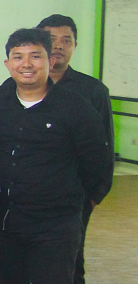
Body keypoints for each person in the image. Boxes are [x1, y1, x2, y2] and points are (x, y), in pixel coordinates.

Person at [0, 28, 111, 284]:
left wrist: (86, 201)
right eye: (18, 57)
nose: (26, 64)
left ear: (50, 61)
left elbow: (97, 161)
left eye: (35, 56)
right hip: (4, 223)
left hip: (55, 227)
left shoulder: (75, 107)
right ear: (7, 64)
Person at [35, 14, 114, 284]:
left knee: (69, 264)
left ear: (75, 46)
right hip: (25, 198)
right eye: (51, 39)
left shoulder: (93, 91)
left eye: (66, 40)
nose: (58, 45)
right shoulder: (18, 87)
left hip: (74, 199)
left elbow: (105, 148)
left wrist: (93, 196)